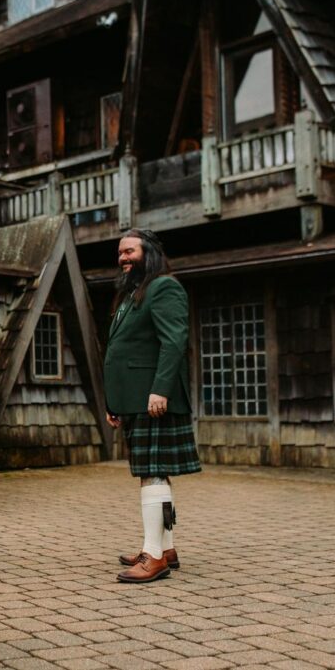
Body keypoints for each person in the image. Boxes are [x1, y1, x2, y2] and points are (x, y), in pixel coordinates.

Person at [104, 229, 200, 583]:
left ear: (149, 253)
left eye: (129, 251)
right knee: (153, 470)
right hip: (135, 399)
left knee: (153, 471)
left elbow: (174, 341)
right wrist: (114, 402)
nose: (123, 258)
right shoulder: (132, 295)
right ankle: (164, 547)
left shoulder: (164, 287)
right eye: (120, 253)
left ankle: (154, 557)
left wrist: (160, 389)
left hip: (153, 398)